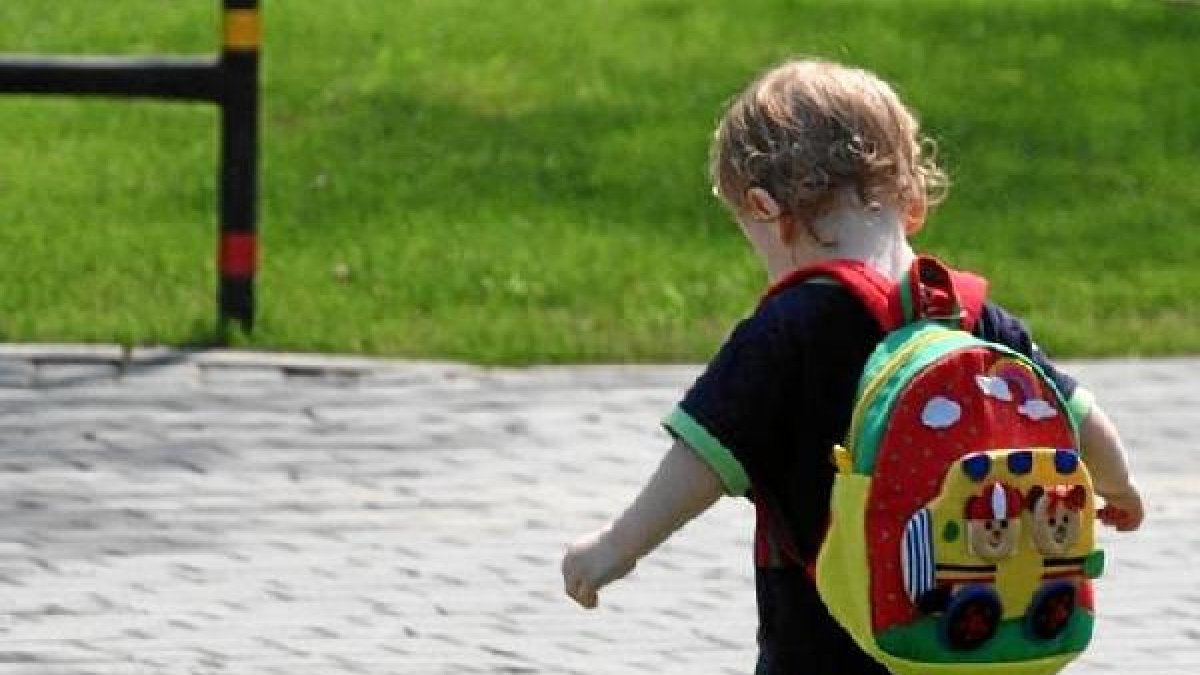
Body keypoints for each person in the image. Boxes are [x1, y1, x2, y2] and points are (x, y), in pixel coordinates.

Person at [560, 58, 1145, 674]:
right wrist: (1119, 487)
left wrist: (617, 547)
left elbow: (705, 457)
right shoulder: (973, 317)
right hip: (958, 630)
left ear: (764, 210)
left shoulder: (789, 328)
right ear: (912, 202)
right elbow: (1080, 417)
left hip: (826, 637)